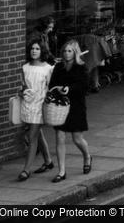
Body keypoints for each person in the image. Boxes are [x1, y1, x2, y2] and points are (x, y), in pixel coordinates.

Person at [48, 40, 92, 182]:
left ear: (75, 52)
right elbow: (52, 84)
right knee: (60, 137)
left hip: (76, 105)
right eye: (65, 51)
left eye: (70, 51)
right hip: (60, 106)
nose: (67, 54)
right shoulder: (59, 67)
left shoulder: (81, 67)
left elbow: (85, 86)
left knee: (77, 139)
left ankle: (87, 156)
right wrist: (58, 89)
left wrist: (69, 89)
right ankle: (61, 171)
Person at [17, 40, 54, 181]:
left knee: (32, 137)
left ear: (42, 51)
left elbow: (51, 88)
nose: (34, 51)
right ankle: (48, 161)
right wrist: (22, 92)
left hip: (40, 105)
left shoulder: (48, 68)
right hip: (28, 105)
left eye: (37, 48)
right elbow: (23, 87)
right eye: (32, 48)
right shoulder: (25, 67)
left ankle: (26, 170)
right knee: (37, 134)